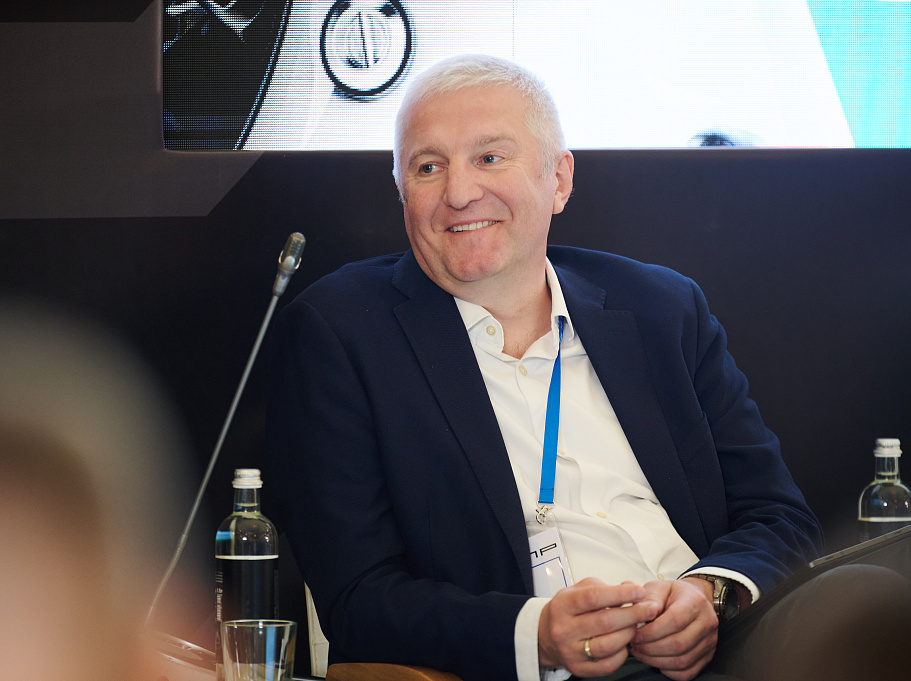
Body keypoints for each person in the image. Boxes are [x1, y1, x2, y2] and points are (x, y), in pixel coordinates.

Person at [265, 54, 823, 681]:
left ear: (559, 180)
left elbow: (777, 515)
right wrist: (537, 634)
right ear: (401, 189)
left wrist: (711, 594)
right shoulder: (342, 333)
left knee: (867, 597)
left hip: (729, 644)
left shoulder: (661, 309)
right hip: (544, 668)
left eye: (489, 158)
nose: (458, 192)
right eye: (428, 166)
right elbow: (357, 598)